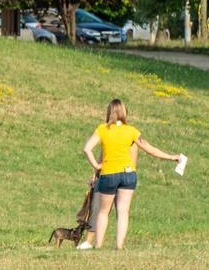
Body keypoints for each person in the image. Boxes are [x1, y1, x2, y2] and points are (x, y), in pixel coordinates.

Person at [82, 98, 182, 250]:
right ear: (124, 112)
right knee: (123, 211)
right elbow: (149, 149)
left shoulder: (102, 129)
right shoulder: (131, 130)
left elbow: (87, 148)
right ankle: (119, 246)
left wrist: (96, 166)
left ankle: (98, 245)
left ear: (109, 112)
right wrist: (171, 157)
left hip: (109, 174)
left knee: (103, 211)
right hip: (128, 174)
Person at [76, 143, 138, 250]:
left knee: (121, 211)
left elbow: (133, 161)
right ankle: (89, 241)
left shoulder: (131, 141)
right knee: (96, 207)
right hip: (106, 175)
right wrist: (94, 176)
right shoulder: (108, 136)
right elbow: (101, 157)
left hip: (123, 178)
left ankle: (118, 244)